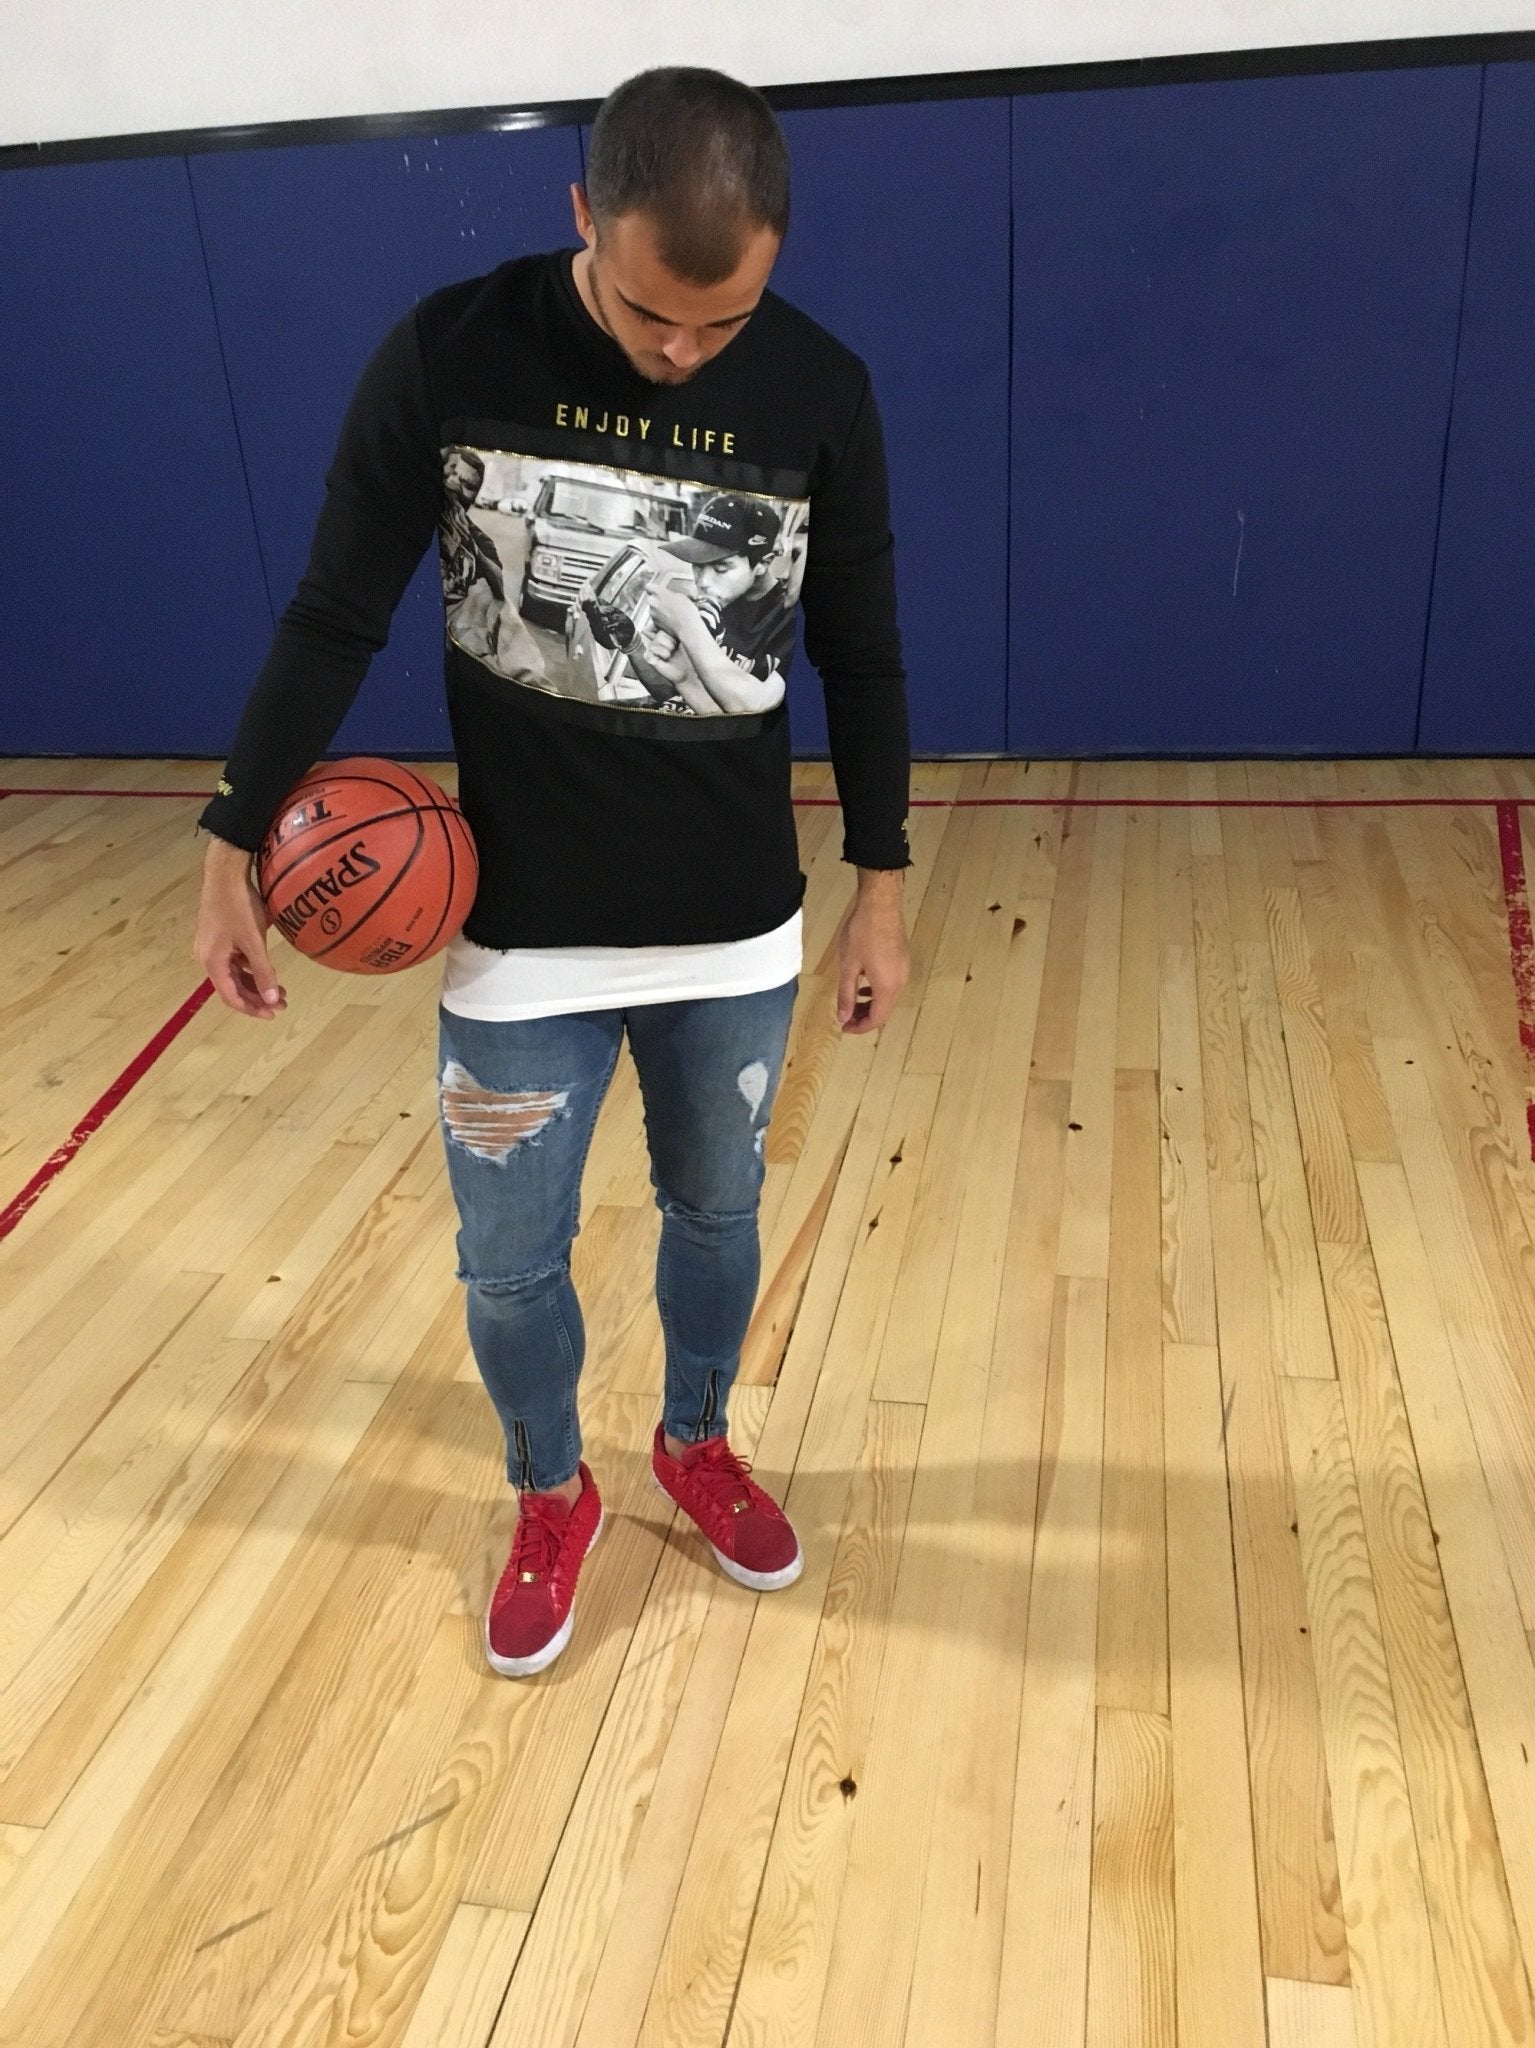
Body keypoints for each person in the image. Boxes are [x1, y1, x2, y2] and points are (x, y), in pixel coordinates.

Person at [192, 67, 912, 1679]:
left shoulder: (821, 387)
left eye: (724, 322)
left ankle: (696, 1441)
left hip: (734, 937)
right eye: (653, 312)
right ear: (584, 213)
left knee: (717, 1217)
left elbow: (863, 656)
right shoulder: (452, 352)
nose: (684, 351)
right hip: (517, 940)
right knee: (510, 1263)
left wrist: (882, 889)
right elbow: (334, 612)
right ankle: (549, 1489)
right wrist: (232, 837)